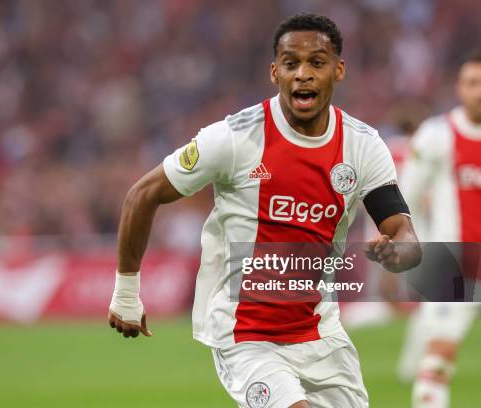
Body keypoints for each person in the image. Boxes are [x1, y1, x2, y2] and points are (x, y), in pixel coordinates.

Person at [108, 13, 421, 408]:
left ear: (338, 70)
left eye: (316, 63)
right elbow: (142, 193)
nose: (303, 74)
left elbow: (403, 230)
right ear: (275, 72)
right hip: (245, 336)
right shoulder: (234, 137)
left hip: (321, 332)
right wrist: (126, 293)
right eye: (291, 63)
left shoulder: (363, 146)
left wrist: (399, 253)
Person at [397, 49, 481, 408]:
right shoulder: (436, 135)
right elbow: (403, 197)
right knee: (435, 364)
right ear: (458, 88)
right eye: (472, 83)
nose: (479, 91)